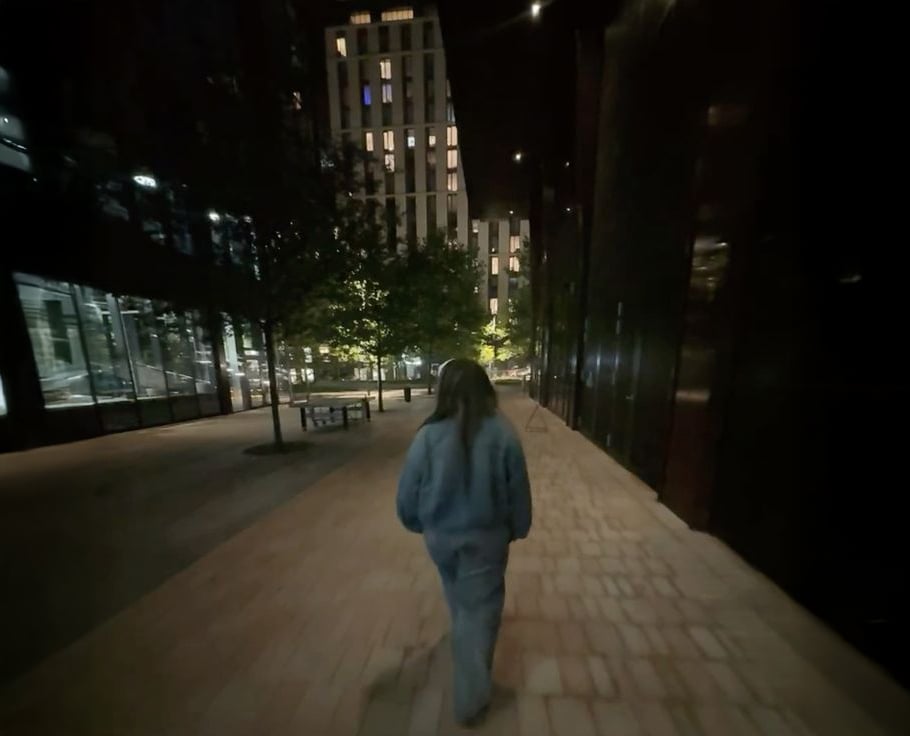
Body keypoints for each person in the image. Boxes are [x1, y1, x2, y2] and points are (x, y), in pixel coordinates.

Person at [396, 358, 532, 726]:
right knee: (482, 612)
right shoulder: (503, 432)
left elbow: (408, 492)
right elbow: (517, 489)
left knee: (457, 593)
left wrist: (415, 522)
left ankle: (461, 641)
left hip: (441, 539)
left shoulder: (428, 435)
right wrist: (519, 526)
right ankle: (470, 700)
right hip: (486, 541)